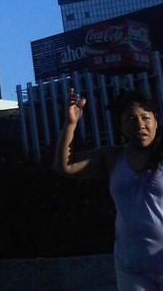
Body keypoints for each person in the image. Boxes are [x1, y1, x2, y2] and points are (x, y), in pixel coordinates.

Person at [54, 87, 163, 290]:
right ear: (120, 126)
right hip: (132, 267)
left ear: (156, 120)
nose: (140, 125)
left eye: (145, 117)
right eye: (131, 119)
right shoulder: (112, 157)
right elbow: (65, 167)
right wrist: (71, 124)